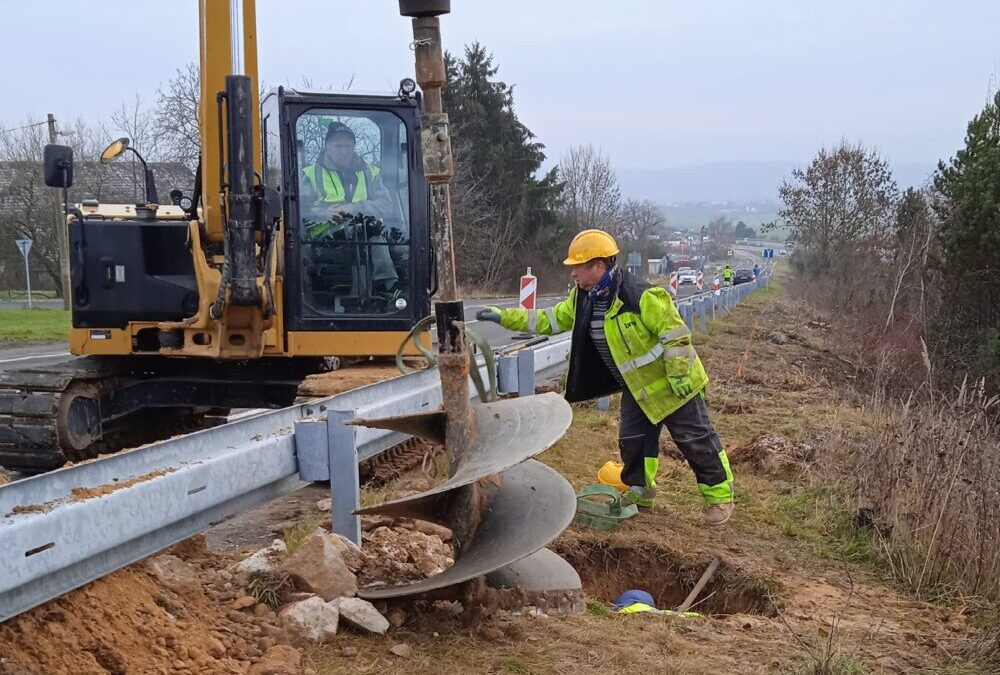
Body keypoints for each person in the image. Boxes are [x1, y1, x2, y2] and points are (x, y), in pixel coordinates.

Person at [476, 229, 735, 525]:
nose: (573, 273)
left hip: (677, 385)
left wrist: (678, 375)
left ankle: (719, 499)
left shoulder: (642, 295)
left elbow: (676, 336)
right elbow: (549, 320)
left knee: (695, 440)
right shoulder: (583, 298)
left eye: (577, 267)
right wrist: (504, 317)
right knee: (634, 441)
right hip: (636, 388)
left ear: (598, 266)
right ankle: (640, 493)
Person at [300, 122, 400, 294]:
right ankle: (306, 296)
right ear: (327, 147)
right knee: (300, 253)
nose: (344, 151)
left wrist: (356, 207)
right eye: (338, 146)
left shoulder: (370, 173)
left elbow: (386, 205)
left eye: (348, 146)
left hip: (363, 234)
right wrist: (324, 213)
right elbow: (299, 208)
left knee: (384, 243)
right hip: (323, 241)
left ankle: (389, 292)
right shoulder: (311, 174)